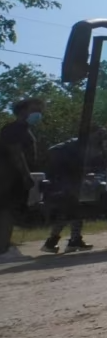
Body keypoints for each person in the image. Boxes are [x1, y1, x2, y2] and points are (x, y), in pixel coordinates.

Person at [0, 99, 44, 254]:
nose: (38, 112)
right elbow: (16, 153)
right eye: (34, 109)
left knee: (11, 211)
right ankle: (3, 248)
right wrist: (26, 175)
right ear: (22, 111)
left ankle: (5, 243)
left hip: (14, 178)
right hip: (7, 179)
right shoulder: (14, 129)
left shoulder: (24, 129)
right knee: (6, 211)